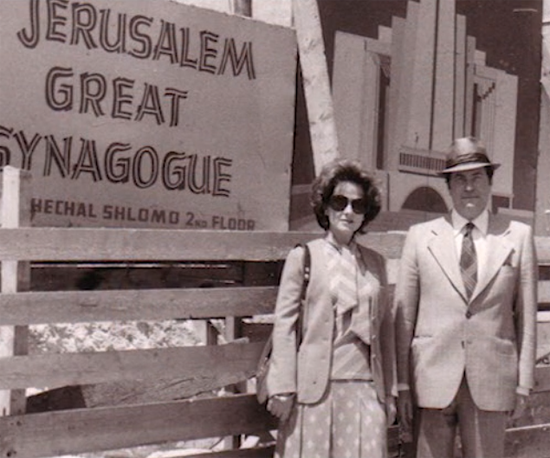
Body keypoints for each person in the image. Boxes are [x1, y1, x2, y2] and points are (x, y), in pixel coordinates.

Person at [395, 137, 537, 458]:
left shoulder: (516, 236)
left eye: (476, 178)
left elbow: (526, 320)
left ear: (490, 182)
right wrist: (402, 384)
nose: (468, 187)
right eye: (459, 179)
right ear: (448, 186)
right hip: (430, 380)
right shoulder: (421, 237)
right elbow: (404, 318)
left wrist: (523, 383)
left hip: (491, 380)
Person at [265, 158, 397, 458]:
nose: (348, 211)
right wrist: (283, 386)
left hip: (365, 391)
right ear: (325, 207)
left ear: (366, 214)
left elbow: (385, 330)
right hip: (314, 392)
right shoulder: (304, 257)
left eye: (358, 205)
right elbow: (284, 324)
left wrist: (388, 394)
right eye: (340, 202)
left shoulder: (376, 264)